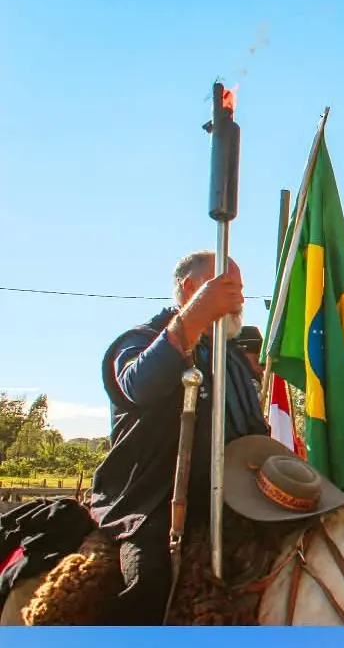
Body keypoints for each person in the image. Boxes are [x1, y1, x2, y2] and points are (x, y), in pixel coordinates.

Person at [89, 251, 270, 625]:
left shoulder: (232, 360)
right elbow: (138, 386)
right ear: (192, 288)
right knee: (150, 581)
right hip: (153, 505)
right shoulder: (137, 341)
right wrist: (194, 317)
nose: (239, 299)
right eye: (229, 287)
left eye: (241, 290)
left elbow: (252, 430)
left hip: (234, 501)